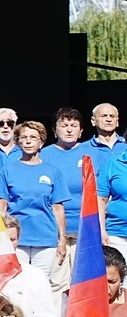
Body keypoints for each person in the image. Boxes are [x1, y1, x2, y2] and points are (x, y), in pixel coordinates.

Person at [1, 120, 69, 280]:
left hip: (45, 237)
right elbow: (1, 205)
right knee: (16, 281)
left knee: (41, 282)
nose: (28, 141)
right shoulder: (7, 170)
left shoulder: (53, 172)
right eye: (23, 137)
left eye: (33, 137)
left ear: (41, 142)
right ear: (17, 142)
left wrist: (62, 238)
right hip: (16, 239)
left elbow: (58, 208)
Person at [42, 108, 89, 270]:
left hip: (85, 228)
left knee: (83, 277)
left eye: (74, 125)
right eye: (64, 125)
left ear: (81, 131)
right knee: (57, 278)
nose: (69, 130)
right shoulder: (43, 155)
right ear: (54, 130)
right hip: (54, 229)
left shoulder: (91, 154)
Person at [87, 102, 125, 173]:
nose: (109, 119)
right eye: (104, 116)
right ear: (93, 121)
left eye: (112, 116)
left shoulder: (125, 145)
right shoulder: (84, 149)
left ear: (117, 121)